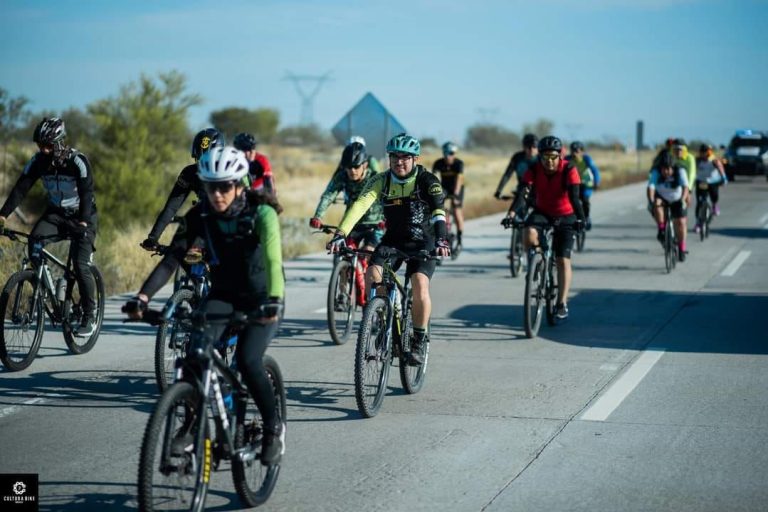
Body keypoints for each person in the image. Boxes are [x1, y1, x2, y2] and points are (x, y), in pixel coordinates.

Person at [182, 145, 285, 463]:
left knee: (248, 360)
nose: (217, 193)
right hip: (224, 296)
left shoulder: (261, 214)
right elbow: (175, 255)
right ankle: (191, 424)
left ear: (239, 184)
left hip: (260, 298)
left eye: (225, 185)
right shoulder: (202, 215)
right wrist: (143, 297)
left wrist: (274, 301)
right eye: (211, 186)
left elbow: (272, 260)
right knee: (195, 355)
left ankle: (271, 429)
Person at [327, 133, 449, 365]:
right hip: (393, 240)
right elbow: (359, 206)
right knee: (373, 273)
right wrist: (340, 233)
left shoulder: (428, 181)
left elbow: (438, 212)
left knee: (419, 283)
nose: (399, 162)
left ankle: (418, 341)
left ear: (415, 159)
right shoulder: (381, 180)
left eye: (405, 157)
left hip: (424, 242)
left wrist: (442, 239)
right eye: (394, 157)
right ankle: (384, 316)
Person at [0, 117, 98, 336]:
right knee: (34, 243)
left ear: (60, 143)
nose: (43, 150)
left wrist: (83, 222)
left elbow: (86, 193)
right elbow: (20, 189)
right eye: (40, 145)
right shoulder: (37, 162)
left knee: (81, 265)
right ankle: (46, 289)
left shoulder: (77, 161)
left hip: (83, 215)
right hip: (55, 215)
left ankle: (89, 316)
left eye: (48, 146)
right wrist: (3, 215)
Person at [124, 128, 223, 318]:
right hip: (202, 227)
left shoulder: (232, 175)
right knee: (185, 259)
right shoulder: (190, 174)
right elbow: (171, 207)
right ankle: (195, 300)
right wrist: (153, 237)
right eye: (199, 160)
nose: (203, 167)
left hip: (225, 233)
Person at [503, 136, 585, 320]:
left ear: (560, 156)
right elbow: (523, 194)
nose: (549, 161)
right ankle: (536, 264)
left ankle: (561, 302)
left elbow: (575, 198)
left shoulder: (570, 170)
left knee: (563, 259)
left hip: (566, 214)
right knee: (528, 233)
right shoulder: (534, 169)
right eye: (545, 157)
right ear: (540, 156)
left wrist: (580, 219)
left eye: (553, 157)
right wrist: (511, 214)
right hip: (542, 212)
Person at [309, 141, 384, 252]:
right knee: (340, 249)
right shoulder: (342, 177)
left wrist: (386, 219)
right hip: (351, 224)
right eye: (348, 167)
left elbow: (387, 200)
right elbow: (328, 196)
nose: (352, 171)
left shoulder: (375, 179)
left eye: (356, 166)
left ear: (365, 165)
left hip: (375, 225)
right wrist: (318, 216)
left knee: (368, 251)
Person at [647, 151, 690, 261]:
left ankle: (681, 248)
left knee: (681, 222)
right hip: (662, 197)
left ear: (673, 167)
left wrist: (683, 200)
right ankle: (661, 229)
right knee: (656, 203)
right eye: (664, 169)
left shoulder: (680, 171)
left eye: (669, 169)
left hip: (677, 198)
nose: (666, 172)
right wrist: (651, 201)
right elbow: (651, 187)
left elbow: (686, 187)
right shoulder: (656, 172)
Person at [432, 142, 465, 247]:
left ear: (454, 153)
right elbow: (434, 178)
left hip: (457, 189)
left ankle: (459, 240)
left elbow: (459, 180)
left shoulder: (458, 163)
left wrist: (455, 195)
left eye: (451, 153)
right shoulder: (438, 163)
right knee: (441, 208)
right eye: (445, 153)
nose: (448, 155)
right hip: (444, 188)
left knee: (456, 210)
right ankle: (444, 228)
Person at [565, 141, 601, 230]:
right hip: (573, 184)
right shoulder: (567, 159)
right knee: (569, 200)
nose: (574, 153)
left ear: (581, 151)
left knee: (585, 199)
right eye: (573, 151)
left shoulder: (587, 159)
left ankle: (587, 217)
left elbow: (595, 171)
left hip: (585, 184)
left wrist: (596, 182)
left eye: (577, 151)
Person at [494, 133, 539, 200]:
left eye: (534, 146)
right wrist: (499, 190)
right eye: (529, 147)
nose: (532, 149)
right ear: (524, 147)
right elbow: (507, 175)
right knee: (515, 210)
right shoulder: (517, 158)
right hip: (522, 190)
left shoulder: (542, 158)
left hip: (539, 191)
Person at [694, 143, 727, 231]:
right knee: (700, 202)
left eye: (706, 152)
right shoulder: (698, 160)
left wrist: (724, 177)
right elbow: (693, 169)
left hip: (713, 181)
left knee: (714, 196)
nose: (704, 154)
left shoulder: (713, 160)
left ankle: (714, 205)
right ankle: (698, 222)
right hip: (701, 181)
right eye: (702, 152)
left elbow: (720, 167)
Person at [672, 139, 696, 205]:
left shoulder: (690, 158)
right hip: (674, 184)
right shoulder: (671, 158)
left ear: (684, 150)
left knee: (686, 201)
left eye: (680, 150)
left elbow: (692, 174)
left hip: (686, 183)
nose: (678, 152)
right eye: (676, 149)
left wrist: (689, 188)